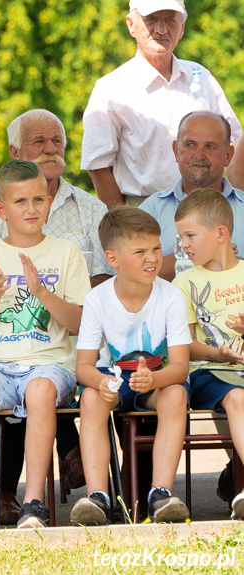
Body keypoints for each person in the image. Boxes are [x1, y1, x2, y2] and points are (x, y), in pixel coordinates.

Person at [0, 109, 110, 522]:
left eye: (57, 140)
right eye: (39, 141)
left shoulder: (83, 221)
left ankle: (32, 500)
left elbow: (86, 314)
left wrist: (40, 291)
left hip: (59, 350)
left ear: (49, 202)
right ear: (2, 208)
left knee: (39, 388)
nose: (51, 148)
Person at [71, 207, 191, 526]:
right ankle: (98, 496)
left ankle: (160, 493)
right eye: (140, 252)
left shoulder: (171, 297)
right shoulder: (98, 299)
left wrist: (153, 380)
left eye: (156, 248)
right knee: (91, 399)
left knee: (176, 395)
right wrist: (100, 384)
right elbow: (83, 366)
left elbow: (180, 366)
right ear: (113, 258)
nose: (152, 258)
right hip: (111, 379)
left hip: (157, 377)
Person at [81, 0, 242, 210]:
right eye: (151, 19)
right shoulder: (110, 89)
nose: (161, 29)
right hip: (144, 213)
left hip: (209, 209)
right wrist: (125, 225)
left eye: (170, 19)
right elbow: (98, 166)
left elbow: (235, 145)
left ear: (182, 27)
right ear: (131, 24)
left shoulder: (202, 77)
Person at [172, 189, 244, 519]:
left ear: (220, 233)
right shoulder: (184, 282)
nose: (184, 244)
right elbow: (184, 345)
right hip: (209, 371)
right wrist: (219, 353)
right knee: (238, 399)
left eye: (190, 235)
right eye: (181, 237)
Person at [141, 112, 244, 281]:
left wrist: (228, 262)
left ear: (228, 155)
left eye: (210, 146)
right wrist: (198, 255)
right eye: (190, 145)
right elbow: (132, 275)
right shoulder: (152, 210)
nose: (199, 155)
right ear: (176, 150)